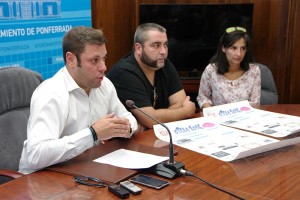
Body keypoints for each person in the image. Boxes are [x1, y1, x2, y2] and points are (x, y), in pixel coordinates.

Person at [19, 26, 138, 174]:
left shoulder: (104, 84)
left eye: (104, 58)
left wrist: (126, 127)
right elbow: (36, 155)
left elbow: (128, 118)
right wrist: (93, 134)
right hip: (44, 179)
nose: (104, 67)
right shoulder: (51, 93)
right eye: (95, 60)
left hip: (85, 168)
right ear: (71, 59)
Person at [107, 23, 196, 131]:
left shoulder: (163, 64)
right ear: (138, 48)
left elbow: (180, 102)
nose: (163, 51)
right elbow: (152, 119)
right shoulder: (124, 73)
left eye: (165, 45)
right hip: (124, 143)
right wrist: (185, 112)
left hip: (156, 134)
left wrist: (153, 120)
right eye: (156, 45)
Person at [197, 26, 261, 108]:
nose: (239, 54)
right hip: (218, 118)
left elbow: (255, 104)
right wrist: (210, 111)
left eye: (243, 48)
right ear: (224, 48)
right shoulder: (211, 70)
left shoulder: (254, 71)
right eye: (233, 48)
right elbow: (203, 97)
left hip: (245, 118)